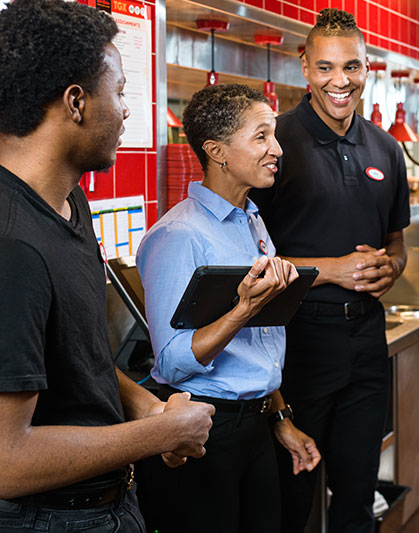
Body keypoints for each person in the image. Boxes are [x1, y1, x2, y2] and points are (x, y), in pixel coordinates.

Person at [0, 0, 214, 530]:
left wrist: (149, 408)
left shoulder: (71, 204)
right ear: (76, 103)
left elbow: (81, 358)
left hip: (109, 503)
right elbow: (7, 461)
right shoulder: (12, 245)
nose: (125, 111)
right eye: (119, 93)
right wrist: (160, 435)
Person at [249, 8, 409, 532]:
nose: (340, 81)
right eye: (326, 67)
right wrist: (332, 270)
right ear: (304, 67)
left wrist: (390, 269)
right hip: (297, 343)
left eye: (353, 67)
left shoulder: (387, 147)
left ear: (368, 68)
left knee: (359, 491)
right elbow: (246, 257)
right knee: (290, 495)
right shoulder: (275, 143)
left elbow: (397, 243)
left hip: (366, 338)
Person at [135, 84, 320, 532]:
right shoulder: (178, 236)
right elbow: (174, 363)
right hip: (203, 432)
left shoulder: (252, 219)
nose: (276, 149)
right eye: (261, 136)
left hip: (255, 426)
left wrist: (280, 417)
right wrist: (242, 310)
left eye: (273, 135)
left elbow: (262, 345)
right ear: (217, 150)